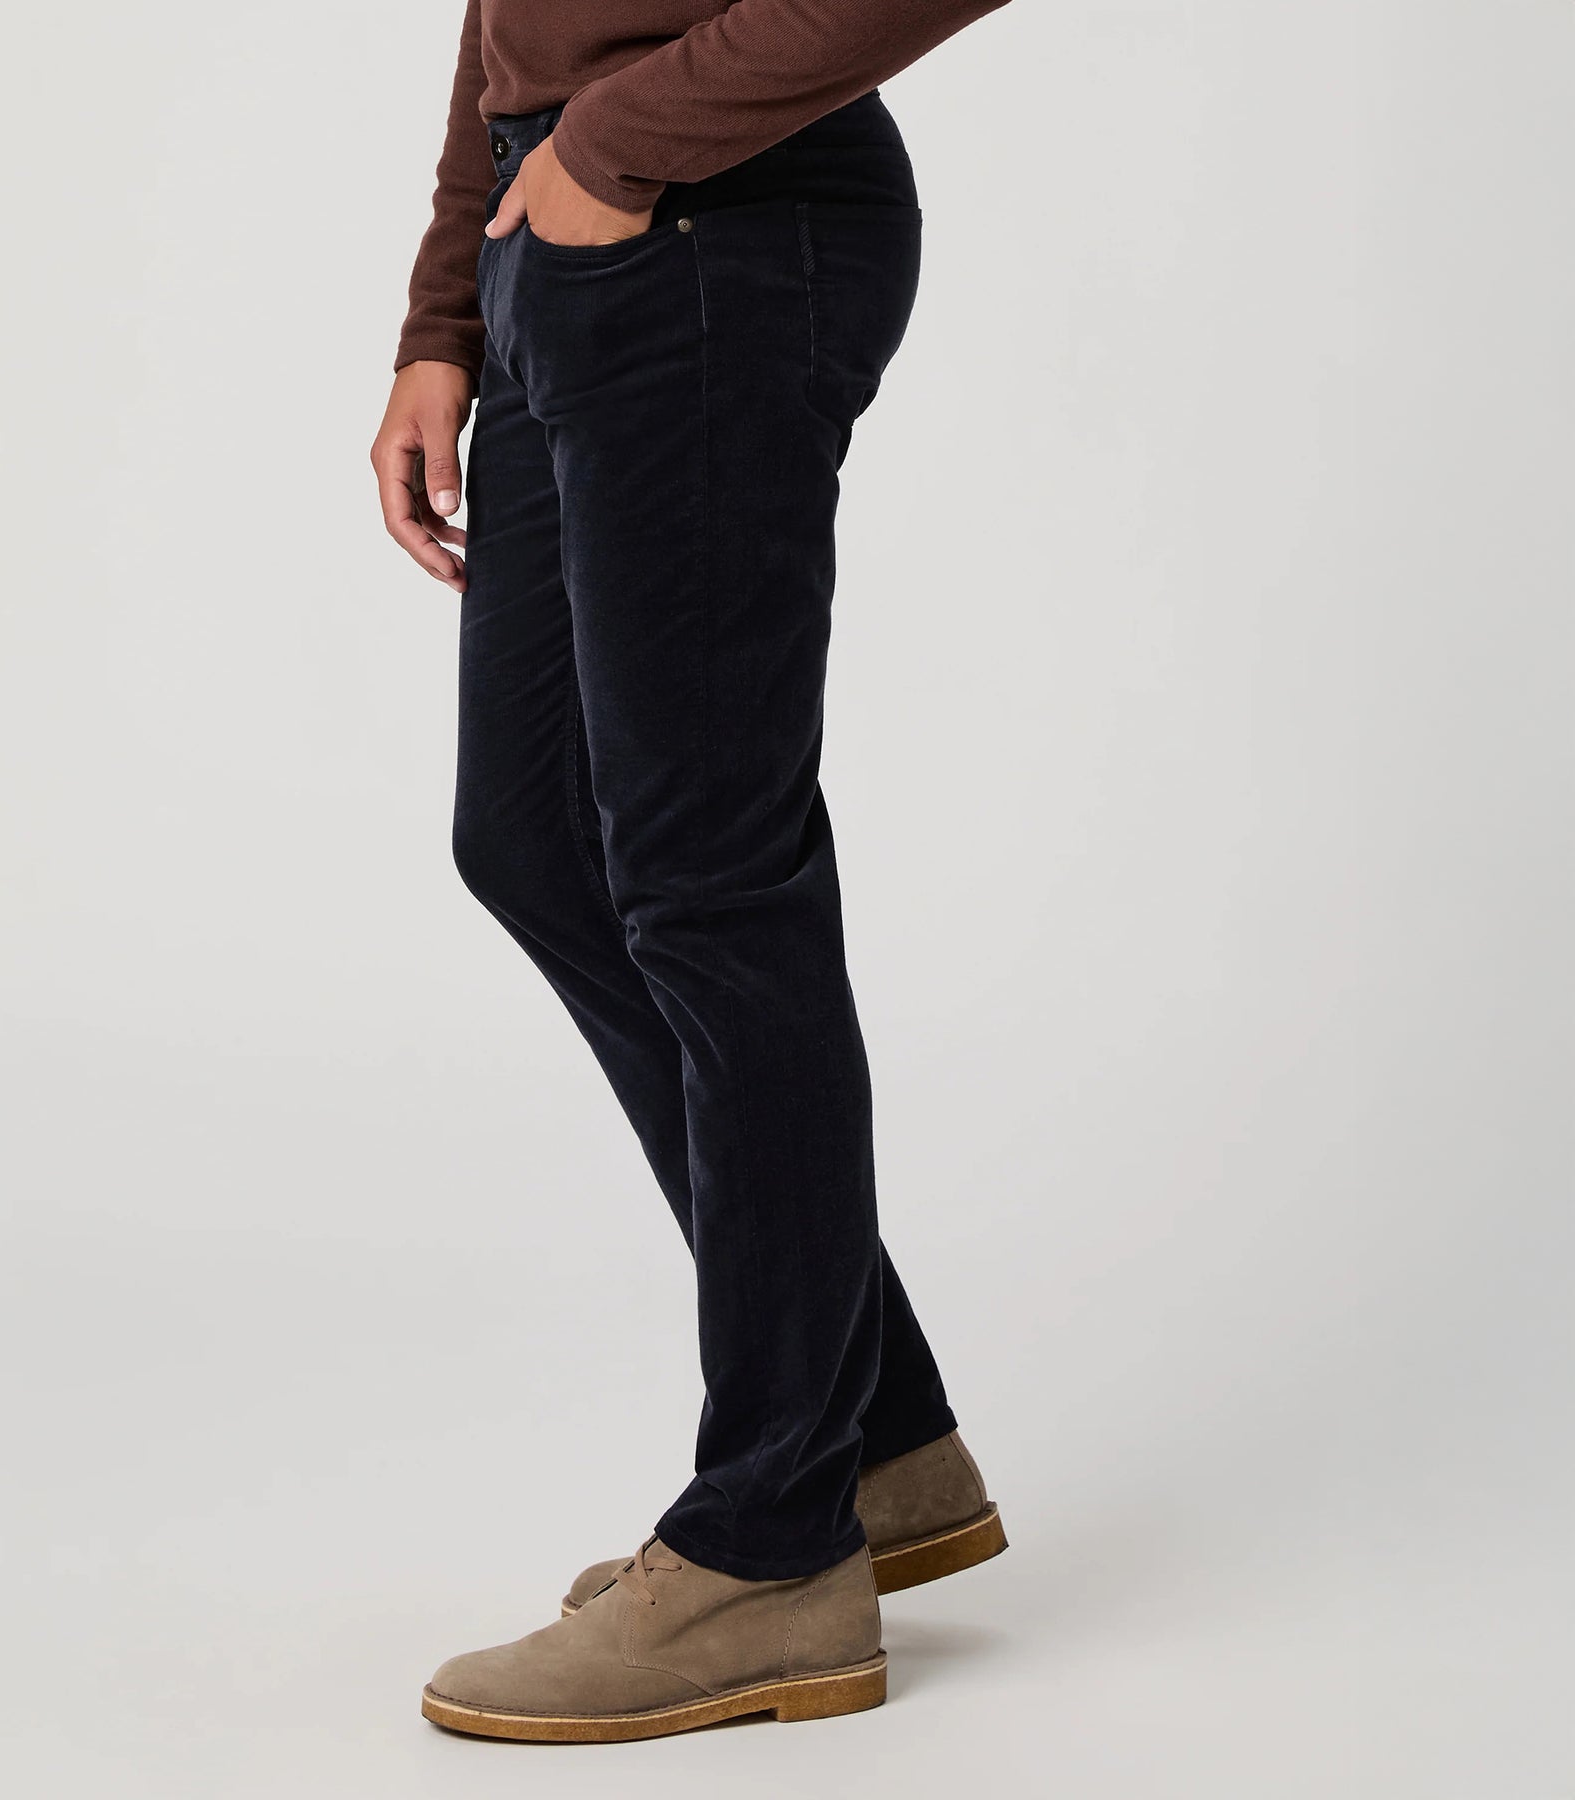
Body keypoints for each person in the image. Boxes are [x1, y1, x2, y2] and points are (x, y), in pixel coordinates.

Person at [371, 0, 1014, 1744]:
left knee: (708, 875)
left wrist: (610, 148)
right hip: (571, 237)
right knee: (536, 836)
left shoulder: (647, 163)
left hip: (712, 216)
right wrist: (446, 316)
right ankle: (874, 1440)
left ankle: (767, 1550)